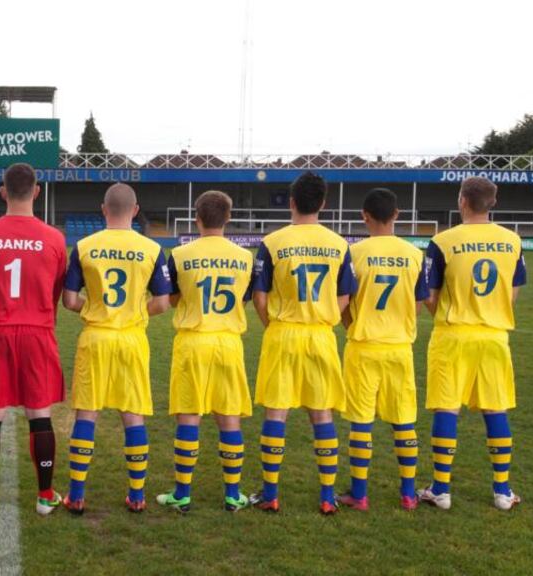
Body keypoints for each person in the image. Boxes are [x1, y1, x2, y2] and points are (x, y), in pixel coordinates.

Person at [249, 171, 356, 515]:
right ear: (323, 203)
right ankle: (327, 496)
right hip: (320, 335)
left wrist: (274, 325)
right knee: (321, 413)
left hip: (283, 333)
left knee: (276, 412)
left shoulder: (272, 242)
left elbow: (260, 297)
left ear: (292, 202)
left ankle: (270, 494)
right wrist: (325, 319)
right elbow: (344, 296)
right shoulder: (340, 244)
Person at [62, 182, 171, 515]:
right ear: (135, 211)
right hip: (131, 339)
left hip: (95, 336)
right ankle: (136, 495)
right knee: (132, 415)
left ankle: (76, 495)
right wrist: (135, 313)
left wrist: (95, 311)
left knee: (87, 414)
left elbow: (68, 300)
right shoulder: (152, 249)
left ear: (103, 208)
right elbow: (164, 303)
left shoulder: (83, 246)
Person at [418, 176, 526, 511]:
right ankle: (503, 492)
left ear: (462, 200)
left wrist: (452, 314)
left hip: (453, 335)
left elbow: (430, 296)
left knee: (447, 407)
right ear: (492, 203)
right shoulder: (512, 241)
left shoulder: (443, 240)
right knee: (496, 408)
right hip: (494, 336)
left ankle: (441, 489)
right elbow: (513, 289)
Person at [0, 163, 67, 516]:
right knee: (39, 414)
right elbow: (56, 289)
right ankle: (45, 495)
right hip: (38, 330)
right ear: (37, 192)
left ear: (3, 191)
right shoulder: (55, 238)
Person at [156, 190, 253, 513]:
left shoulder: (181, 254)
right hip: (228, 342)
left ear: (196, 218)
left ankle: (182, 493)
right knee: (229, 419)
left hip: (192, 341)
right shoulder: (245, 257)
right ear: (228, 218)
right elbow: (244, 297)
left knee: (189, 416)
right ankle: (232, 494)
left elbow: (169, 298)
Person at [338, 188, 427, 512]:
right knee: (404, 420)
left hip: (363, 346)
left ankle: (359, 495)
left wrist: (353, 325)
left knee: (361, 422)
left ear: (364, 215)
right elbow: (419, 304)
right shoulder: (415, 254)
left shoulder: (354, 253)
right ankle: (408, 494)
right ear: (397, 215)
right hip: (399, 347)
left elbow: (343, 304)